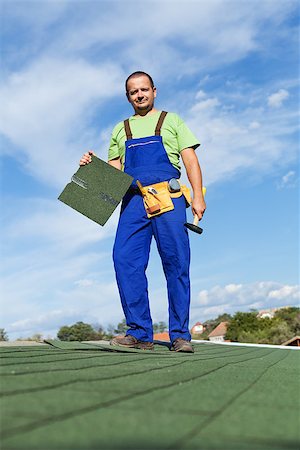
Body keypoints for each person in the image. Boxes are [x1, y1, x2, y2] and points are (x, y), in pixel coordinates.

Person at [80, 71, 206, 353]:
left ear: (154, 91)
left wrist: (198, 195)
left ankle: (180, 335)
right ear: (128, 97)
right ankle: (139, 333)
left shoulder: (171, 121)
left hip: (168, 198)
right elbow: (113, 172)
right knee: (124, 259)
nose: (139, 95)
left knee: (176, 262)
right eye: (134, 92)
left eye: (144, 89)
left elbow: (190, 159)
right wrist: (91, 166)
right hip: (133, 200)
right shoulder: (120, 129)